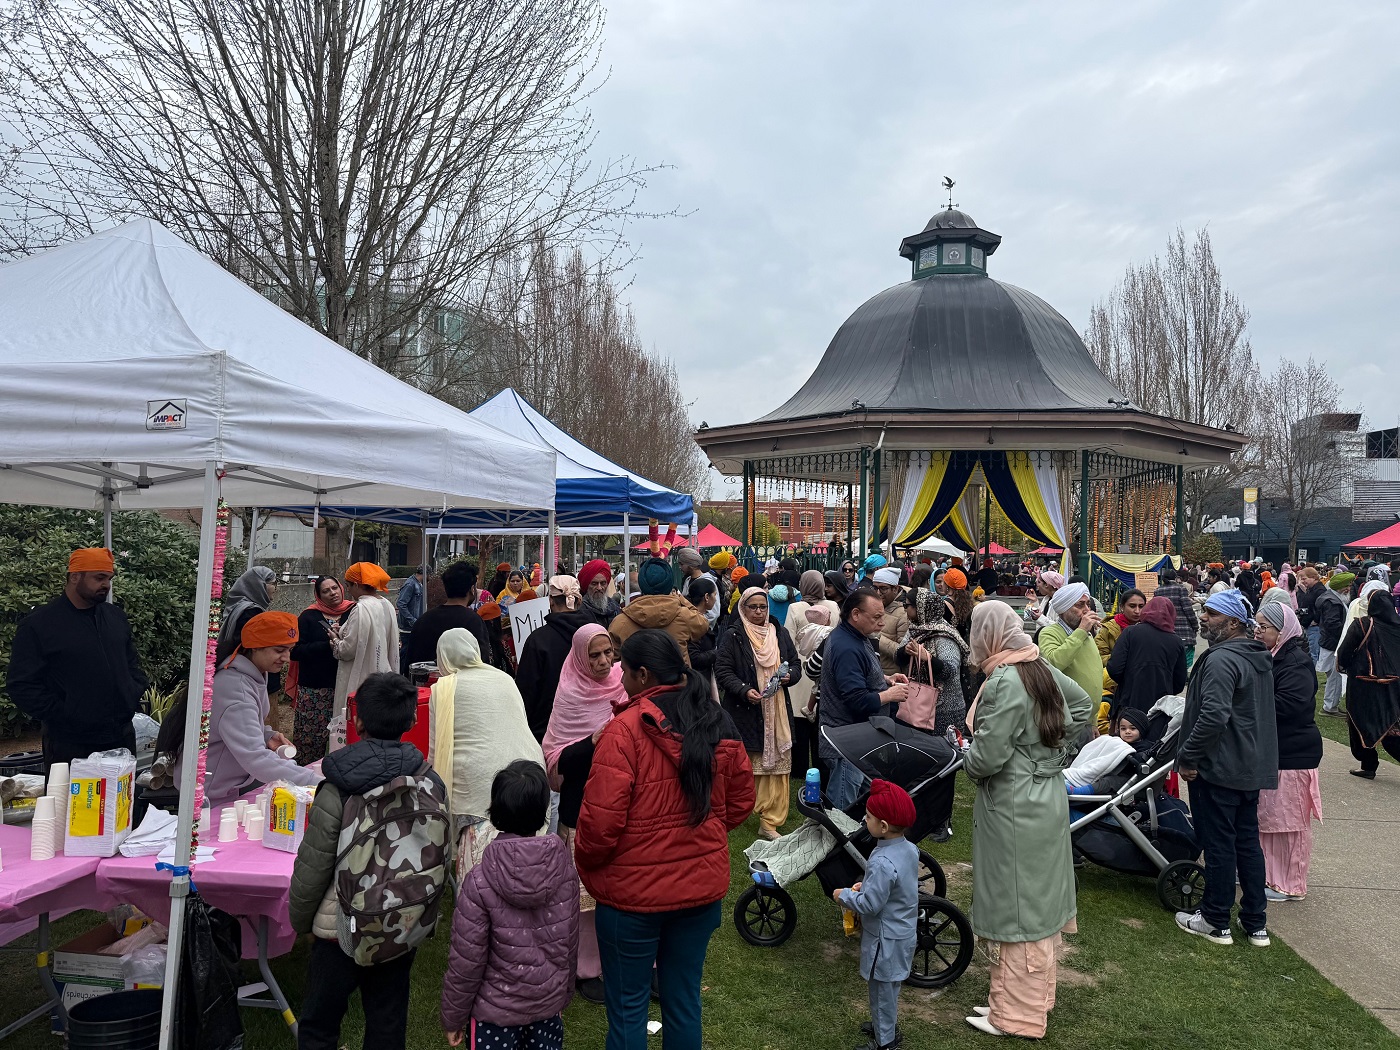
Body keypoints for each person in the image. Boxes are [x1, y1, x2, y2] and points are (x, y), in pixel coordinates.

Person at [575, 630, 754, 1050]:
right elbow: (741, 801)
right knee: (683, 1002)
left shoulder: (623, 732)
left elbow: (599, 826)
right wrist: (701, 833)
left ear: (643, 674)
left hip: (631, 898)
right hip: (697, 891)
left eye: (623, 669)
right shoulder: (716, 719)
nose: (618, 676)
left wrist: (593, 864)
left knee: (628, 1011)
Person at [289, 671, 447, 1050]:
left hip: (338, 926)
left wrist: (301, 922)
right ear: (412, 720)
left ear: (357, 721)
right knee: (387, 1019)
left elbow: (313, 866)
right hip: (400, 919)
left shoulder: (336, 789)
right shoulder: (429, 781)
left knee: (319, 1023)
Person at [963, 601, 1090, 1038]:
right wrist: (1049, 754)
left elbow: (987, 757)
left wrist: (969, 758)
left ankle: (1016, 1016)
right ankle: (1024, 1001)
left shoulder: (1005, 679)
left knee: (1017, 907)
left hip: (1015, 805)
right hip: (1045, 799)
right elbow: (1082, 705)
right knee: (1034, 902)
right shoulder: (1036, 665)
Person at [440, 761, 579, 1049]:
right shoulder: (565, 873)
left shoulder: (478, 882)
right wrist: (563, 995)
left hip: (494, 1017)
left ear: (495, 811)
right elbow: (570, 944)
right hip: (546, 1009)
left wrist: (453, 1017)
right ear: (543, 811)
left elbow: (466, 962)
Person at [1175, 589, 1277, 948]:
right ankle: (1255, 923)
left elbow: (1213, 716)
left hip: (1220, 766)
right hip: (1249, 766)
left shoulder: (1222, 659)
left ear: (1233, 622)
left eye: (1212, 613)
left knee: (1220, 844)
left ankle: (1216, 920)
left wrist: (1189, 756)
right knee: (1247, 843)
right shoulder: (1255, 655)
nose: (1204, 618)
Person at [541, 625, 625, 1004]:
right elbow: (556, 761)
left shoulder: (623, 683)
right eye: (595, 655)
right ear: (579, 657)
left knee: (620, 888)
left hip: (621, 803)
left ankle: (625, 960)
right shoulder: (570, 693)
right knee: (584, 895)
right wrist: (592, 741)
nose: (605, 661)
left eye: (608, 652)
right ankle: (586, 968)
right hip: (581, 807)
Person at [6, 547, 149, 770]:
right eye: (99, 578)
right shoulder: (40, 624)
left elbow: (131, 663)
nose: (106, 585)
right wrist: (65, 714)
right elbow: (21, 684)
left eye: (109, 578)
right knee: (74, 795)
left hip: (121, 737)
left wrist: (132, 692)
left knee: (121, 793)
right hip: (70, 744)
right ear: (75, 577)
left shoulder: (115, 617)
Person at [430, 629, 546, 875]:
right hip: (527, 774)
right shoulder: (504, 678)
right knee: (528, 862)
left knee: (482, 871)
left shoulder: (443, 688)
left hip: (477, 786)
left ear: (442, 656)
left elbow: (436, 748)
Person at [181, 611, 321, 812]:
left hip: (229, 783)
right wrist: (317, 782)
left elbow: (232, 723)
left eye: (290, 650)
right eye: (279, 650)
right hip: (210, 795)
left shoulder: (252, 674)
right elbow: (257, 759)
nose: (287, 658)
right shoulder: (236, 689)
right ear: (254, 646)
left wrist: (265, 735)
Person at [832, 780, 920, 1050]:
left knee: (881, 990)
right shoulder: (908, 849)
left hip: (885, 939)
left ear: (882, 826)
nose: (864, 819)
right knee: (889, 988)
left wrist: (843, 895)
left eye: (868, 817)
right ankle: (885, 1025)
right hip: (902, 934)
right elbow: (894, 887)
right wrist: (867, 885)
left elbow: (870, 904)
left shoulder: (882, 861)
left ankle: (886, 1043)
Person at [715, 586, 800, 840]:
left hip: (777, 709)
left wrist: (790, 676)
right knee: (748, 763)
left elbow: (796, 664)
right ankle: (740, 811)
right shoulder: (734, 635)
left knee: (779, 766)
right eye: (753, 607)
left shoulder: (779, 632)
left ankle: (770, 820)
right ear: (743, 608)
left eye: (763, 607)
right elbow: (723, 670)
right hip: (747, 710)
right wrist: (743, 690)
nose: (759, 612)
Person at [1253, 602, 1323, 900]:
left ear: (1282, 631)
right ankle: (1266, 875)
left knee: (1287, 824)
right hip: (1277, 751)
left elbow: (1290, 705)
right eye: (1256, 625)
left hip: (1293, 754)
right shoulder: (1272, 655)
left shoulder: (1295, 662)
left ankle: (1287, 884)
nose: (1257, 631)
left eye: (1264, 627)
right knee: (1270, 819)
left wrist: (1248, 703)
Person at [819, 590, 910, 809]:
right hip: (846, 741)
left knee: (862, 799)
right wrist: (889, 695)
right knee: (842, 808)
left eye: (882, 617)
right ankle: (835, 832)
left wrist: (885, 679)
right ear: (856, 614)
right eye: (876, 617)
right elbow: (856, 700)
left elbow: (858, 675)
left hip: (856, 739)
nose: (882, 623)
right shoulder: (846, 646)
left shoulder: (855, 635)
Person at [517, 575, 605, 741]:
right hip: (592, 728)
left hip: (548, 731)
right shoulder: (596, 635)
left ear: (550, 601)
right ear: (578, 600)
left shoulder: (538, 640)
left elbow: (526, 691)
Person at [290, 575, 355, 763]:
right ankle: (306, 775)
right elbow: (295, 651)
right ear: (318, 595)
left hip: (345, 687)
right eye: (326, 591)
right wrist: (327, 645)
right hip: (314, 691)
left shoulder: (354, 612)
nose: (332, 593)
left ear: (341, 588)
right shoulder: (308, 617)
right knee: (310, 741)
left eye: (334, 588)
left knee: (344, 738)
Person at [1336, 590, 1400, 779]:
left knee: (1360, 723)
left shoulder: (1362, 624)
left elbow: (1345, 651)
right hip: (1394, 685)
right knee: (1390, 725)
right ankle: (1368, 766)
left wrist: (1346, 666)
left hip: (1363, 684)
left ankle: (1368, 764)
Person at [608, 557, 710, 667]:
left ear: (641, 584)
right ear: (670, 584)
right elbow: (703, 624)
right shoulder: (685, 616)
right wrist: (681, 599)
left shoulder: (621, 622)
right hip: (678, 676)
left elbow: (612, 660)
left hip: (637, 677)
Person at [330, 562, 400, 716]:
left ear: (356, 584)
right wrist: (344, 630)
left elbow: (347, 650)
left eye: (348, 585)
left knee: (357, 717)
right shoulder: (387, 605)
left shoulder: (361, 608)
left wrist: (335, 640)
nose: (348, 590)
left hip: (360, 677)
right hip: (383, 673)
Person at [1106, 596, 1186, 723]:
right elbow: (1179, 682)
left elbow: (1114, 668)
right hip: (1161, 707)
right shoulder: (1176, 641)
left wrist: (1128, 682)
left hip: (1129, 702)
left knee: (1127, 734)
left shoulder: (1130, 632)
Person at [905, 590, 971, 736]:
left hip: (944, 710)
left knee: (942, 747)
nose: (905, 609)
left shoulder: (944, 635)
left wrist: (928, 658)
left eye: (907, 606)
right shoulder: (915, 629)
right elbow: (898, 658)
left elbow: (950, 671)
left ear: (920, 607)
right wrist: (905, 651)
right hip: (917, 705)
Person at [403, 561, 491, 669]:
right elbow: (483, 663)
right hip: (463, 680)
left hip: (427, 679)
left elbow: (410, 664)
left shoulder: (423, 620)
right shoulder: (474, 621)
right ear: (472, 589)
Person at [1037, 582, 1104, 712]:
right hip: (1068, 715)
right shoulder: (1049, 632)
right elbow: (1053, 664)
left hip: (1090, 716)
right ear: (1064, 608)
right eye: (1080, 605)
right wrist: (1081, 631)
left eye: (1088, 604)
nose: (1087, 610)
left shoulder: (1086, 634)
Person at [790, 605, 836, 781]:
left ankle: (809, 708)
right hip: (819, 669)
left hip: (806, 664)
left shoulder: (807, 629)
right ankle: (810, 709)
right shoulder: (828, 633)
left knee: (815, 689)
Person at [215, 566, 278, 667]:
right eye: (273, 583)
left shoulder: (239, 605)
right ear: (259, 585)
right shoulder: (251, 612)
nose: (276, 588)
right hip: (243, 668)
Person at [1314, 574, 1351, 715]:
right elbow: (1333, 624)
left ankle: (1331, 705)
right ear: (1339, 587)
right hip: (1334, 644)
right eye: (1347, 586)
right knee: (1335, 676)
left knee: (1334, 676)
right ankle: (1330, 707)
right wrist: (1347, 635)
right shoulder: (1332, 602)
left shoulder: (1330, 598)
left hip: (1330, 642)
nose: (1349, 589)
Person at [1097, 588, 1145, 694]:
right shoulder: (1108, 629)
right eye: (1132, 606)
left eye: (1141, 606)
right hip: (1115, 686)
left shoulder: (1149, 628)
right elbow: (1099, 657)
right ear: (1122, 607)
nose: (1137, 611)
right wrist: (1122, 660)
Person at [1155, 567, 1201, 670]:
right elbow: (1188, 609)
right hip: (1184, 631)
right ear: (1176, 578)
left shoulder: (1157, 591)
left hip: (1165, 632)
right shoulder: (1180, 589)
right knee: (1185, 661)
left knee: (1170, 662)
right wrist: (1195, 625)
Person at [870, 567, 911, 677]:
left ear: (895, 589)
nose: (878, 593)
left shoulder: (903, 614)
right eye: (875, 588)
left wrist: (876, 637)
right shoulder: (871, 607)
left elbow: (903, 653)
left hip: (892, 676)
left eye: (883, 588)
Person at [579, 558, 622, 627]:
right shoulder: (579, 610)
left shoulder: (615, 607)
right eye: (594, 584)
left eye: (603, 583)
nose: (599, 588)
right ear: (587, 585)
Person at [395, 567, 424, 651]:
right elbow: (401, 603)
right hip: (408, 627)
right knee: (406, 651)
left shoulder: (418, 584)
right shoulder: (410, 584)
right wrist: (412, 620)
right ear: (425, 574)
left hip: (413, 625)